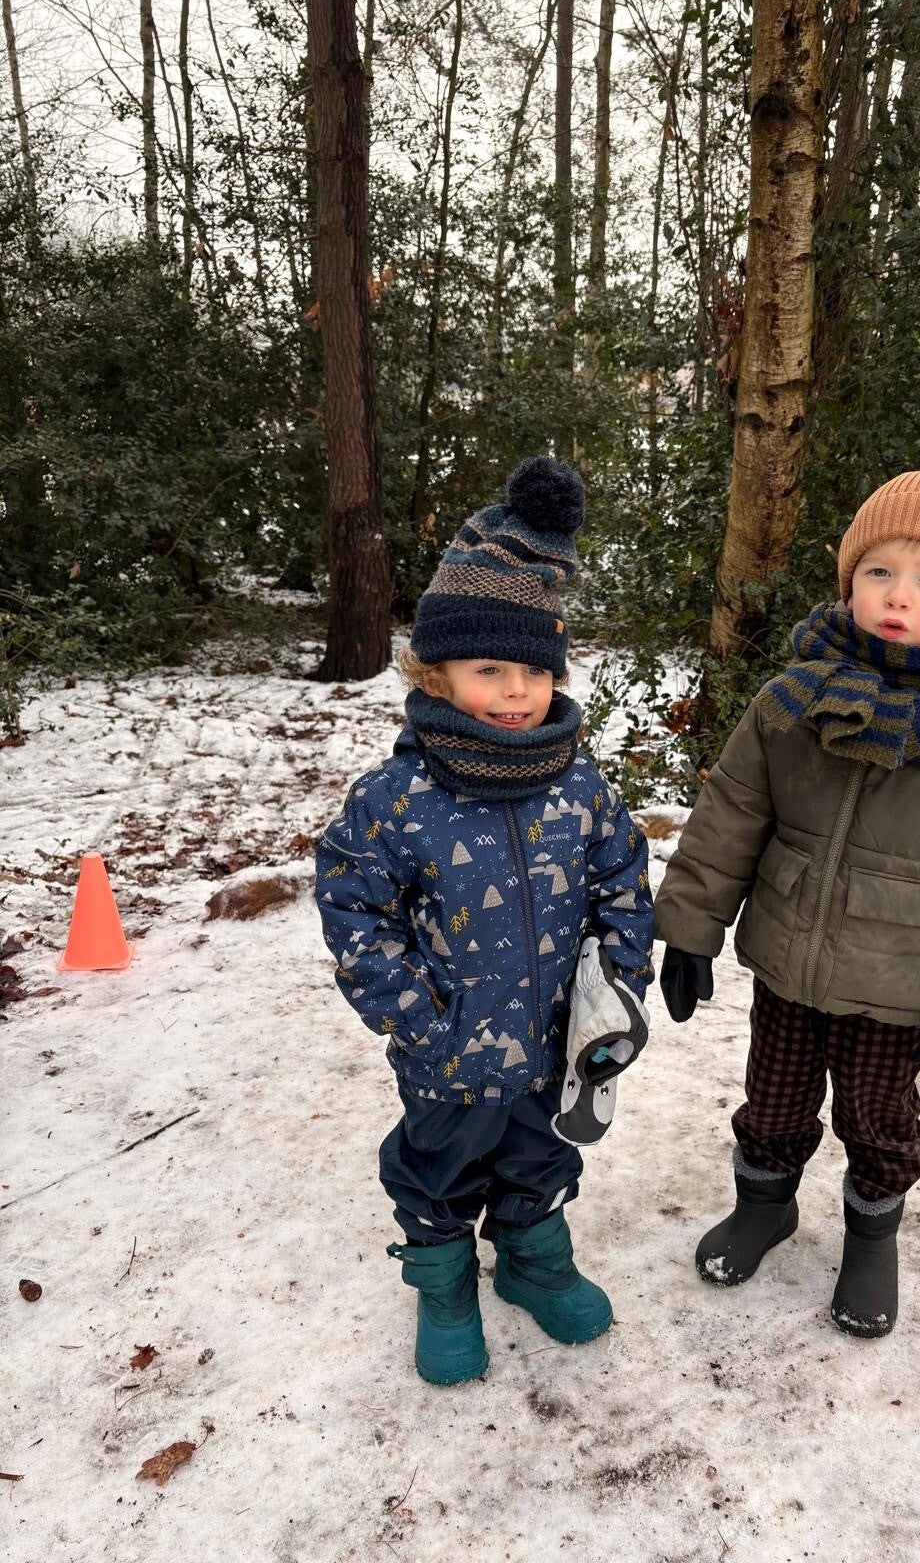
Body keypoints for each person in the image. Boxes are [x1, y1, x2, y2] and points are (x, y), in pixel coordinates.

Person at [655, 470, 920, 1338]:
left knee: (879, 1123)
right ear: (849, 586)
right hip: (789, 966)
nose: (898, 595)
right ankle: (765, 1206)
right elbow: (732, 815)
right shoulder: (792, 702)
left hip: (900, 986)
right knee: (771, 1104)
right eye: (878, 571)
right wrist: (690, 925)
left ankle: (872, 1239)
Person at [316, 457, 654, 1385]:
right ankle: (445, 1285)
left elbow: (623, 877)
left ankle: (535, 1262)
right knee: (439, 1170)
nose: (515, 691)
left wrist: (617, 979)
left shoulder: (580, 787)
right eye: (489, 670)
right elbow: (354, 905)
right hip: (448, 1050)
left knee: (541, 1155)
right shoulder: (396, 798)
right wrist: (415, 1016)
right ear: (435, 674)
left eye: (534, 671)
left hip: (554, 1042)